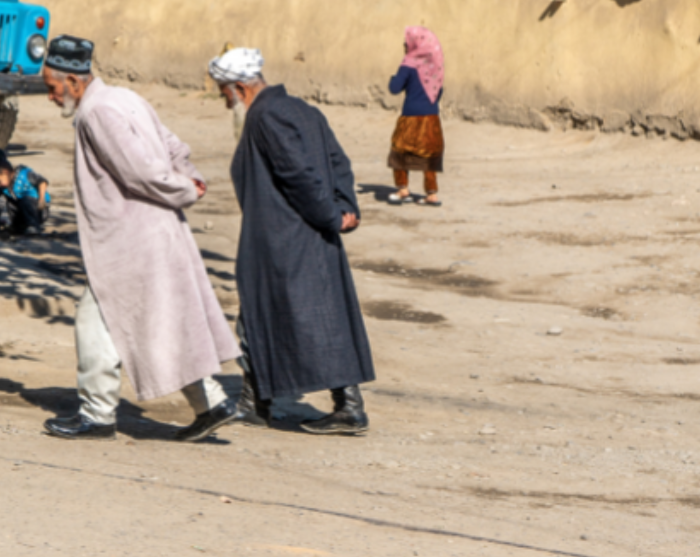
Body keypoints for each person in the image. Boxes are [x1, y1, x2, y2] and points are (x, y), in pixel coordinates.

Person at [37, 36, 242, 443]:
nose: (50, 97)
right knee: (164, 321)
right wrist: (191, 175)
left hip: (131, 239)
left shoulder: (95, 113)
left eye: (51, 87)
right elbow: (171, 145)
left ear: (75, 82)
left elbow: (140, 172)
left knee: (94, 321)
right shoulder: (125, 97)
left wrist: (184, 188)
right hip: (156, 232)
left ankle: (96, 416)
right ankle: (213, 404)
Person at [209, 47, 374, 434]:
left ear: (238, 87)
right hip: (306, 233)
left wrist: (332, 215)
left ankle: (344, 407)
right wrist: (344, 208)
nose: (222, 98)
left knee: (281, 316)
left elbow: (297, 174)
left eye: (223, 91)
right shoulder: (301, 109)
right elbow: (339, 162)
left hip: (284, 239)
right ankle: (259, 402)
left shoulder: (266, 116)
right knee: (290, 315)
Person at [387, 26, 445, 206]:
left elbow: (394, 88)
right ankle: (431, 194)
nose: (405, 45)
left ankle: (403, 189)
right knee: (429, 155)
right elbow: (438, 92)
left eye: (407, 42)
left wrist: (393, 78)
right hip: (432, 119)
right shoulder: (435, 66)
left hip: (411, 118)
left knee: (400, 152)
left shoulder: (408, 63)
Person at [2, 163, 51, 235]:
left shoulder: (25, 174)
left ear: (6, 173)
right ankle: (19, 226)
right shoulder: (8, 186)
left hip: (39, 208)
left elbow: (42, 181)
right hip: (25, 209)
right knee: (11, 202)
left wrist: (41, 199)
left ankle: (33, 226)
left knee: (25, 200)